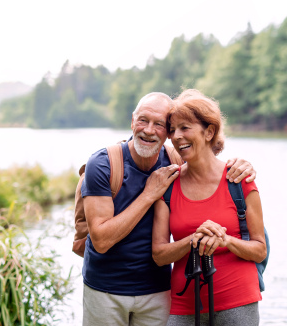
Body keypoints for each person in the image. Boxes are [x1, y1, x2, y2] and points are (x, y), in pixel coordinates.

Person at [81, 92, 256, 326]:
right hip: (105, 290)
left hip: (158, 292)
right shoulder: (103, 164)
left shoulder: (176, 161)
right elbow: (101, 241)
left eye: (161, 125)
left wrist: (243, 165)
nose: (149, 130)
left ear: (166, 132)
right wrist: (149, 195)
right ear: (132, 121)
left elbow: (207, 159)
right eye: (143, 120)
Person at [152, 89, 267, 326]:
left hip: (238, 302)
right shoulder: (169, 185)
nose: (176, 136)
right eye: (172, 130)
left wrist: (226, 240)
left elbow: (259, 250)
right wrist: (195, 239)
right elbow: (159, 255)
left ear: (209, 131)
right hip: (183, 303)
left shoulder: (239, 180)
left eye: (185, 127)